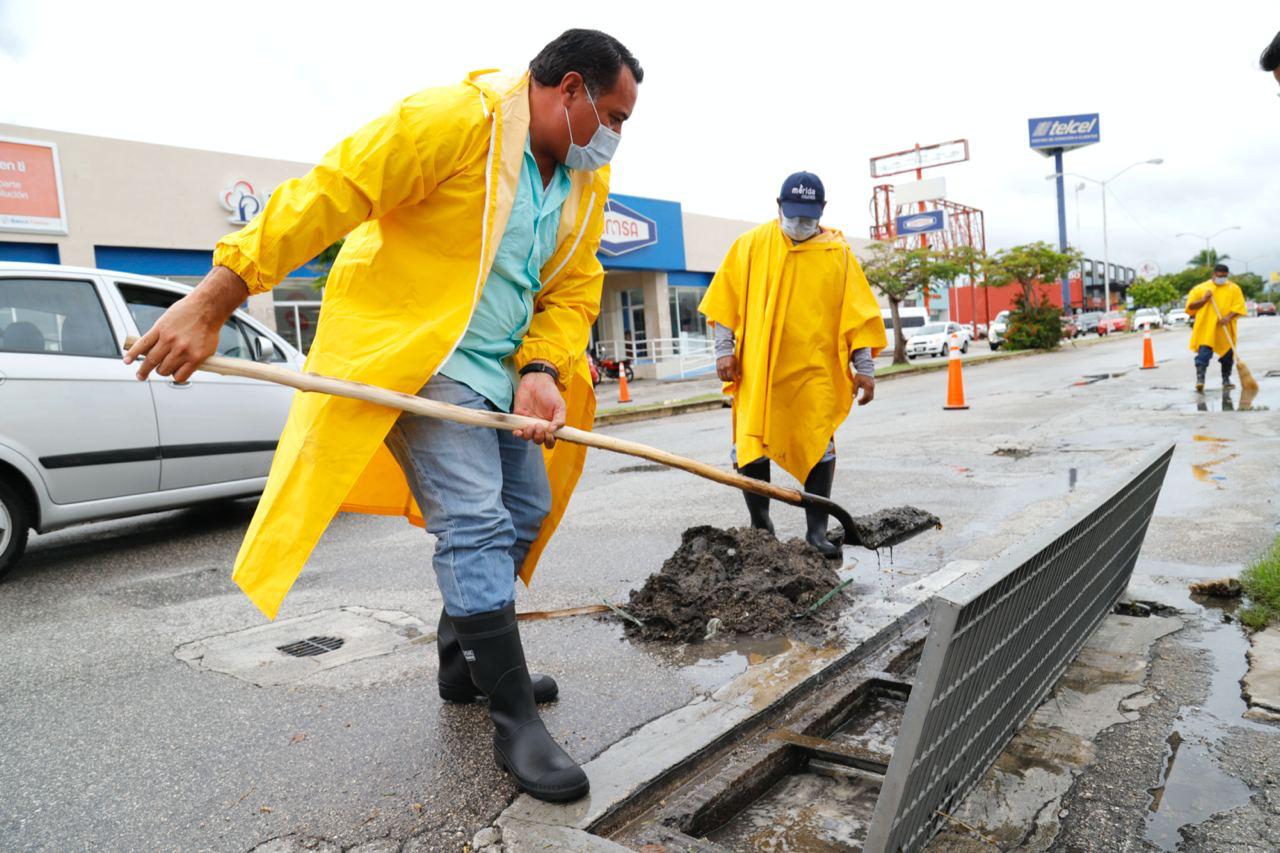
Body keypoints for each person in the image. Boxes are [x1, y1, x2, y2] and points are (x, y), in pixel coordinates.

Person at [123, 29, 643, 804]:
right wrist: (213, 299)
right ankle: (515, 719)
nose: (615, 136)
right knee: (475, 522)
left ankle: (464, 659)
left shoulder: (581, 180)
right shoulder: (454, 121)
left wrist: (540, 368)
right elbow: (331, 192)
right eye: (614, 115)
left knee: (527, 508)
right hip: (420, 361)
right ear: (568, 89)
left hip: (502, 372)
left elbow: (573, 289)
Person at [699, 172, 886, 559]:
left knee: (818, 444)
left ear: (822, 211)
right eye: (793, 214)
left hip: (813, 372)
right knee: (750, 447)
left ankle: (817, 532)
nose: (799, 223)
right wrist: (723, 350)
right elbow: (724, 303)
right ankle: (760, 526)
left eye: (808, 217)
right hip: (759, 372)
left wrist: (864, 369)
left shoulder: (838, 255)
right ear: (778, 206)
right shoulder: (751, 245)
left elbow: (858, 317)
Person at [1185, 263, 1246, 392]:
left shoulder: (1234, 288)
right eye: (1220, 276)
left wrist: (1228, 317)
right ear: (1213, 274)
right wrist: (1203, 300)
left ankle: (1226, 380)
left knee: (1227, 356)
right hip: (1206, 328)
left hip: (1225, 328)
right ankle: (1200, 380)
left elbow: (1239, 306)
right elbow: (1190, 307)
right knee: (1203, 355)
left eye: (1225, 276)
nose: (1222, 279)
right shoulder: (1201, 288)